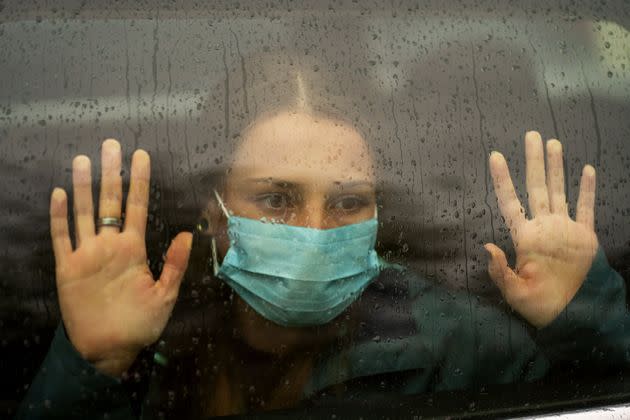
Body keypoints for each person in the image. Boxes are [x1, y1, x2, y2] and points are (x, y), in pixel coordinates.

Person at [15, 77, 629, 419]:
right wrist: (93, 367)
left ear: (378, 214)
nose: (313, 232)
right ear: (217, 214)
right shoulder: (153, 333)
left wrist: (584, 319)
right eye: (277, 199)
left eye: (347, 203)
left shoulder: (450, 341)